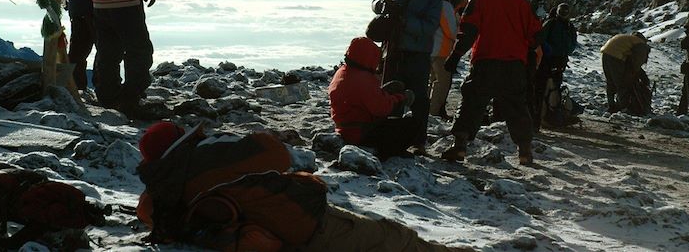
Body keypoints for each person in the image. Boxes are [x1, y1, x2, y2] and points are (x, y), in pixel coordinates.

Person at [136, 121, 470, 251]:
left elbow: (147, 211)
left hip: (268, 232)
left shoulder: (159, 192)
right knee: (397, 240)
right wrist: (230, 140)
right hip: (305, 226)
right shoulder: (207, 157)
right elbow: (277, 155)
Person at [441, 0, 543, 165]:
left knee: (471, 103)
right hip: (514, 65)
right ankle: (524, 152)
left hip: (485, 62)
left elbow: (467, 31)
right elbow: (535, 36)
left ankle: (459, 146)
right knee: (517, 107)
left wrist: (455, 56)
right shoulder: (521, 3)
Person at [372, 0, 443, 154]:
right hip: (393, 49)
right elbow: (376, 0)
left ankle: (418, 141)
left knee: (418, 98)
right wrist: (382, 4)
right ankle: (389, 136)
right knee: (390, 94)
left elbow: (430, 26)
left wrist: (404, 19)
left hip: (417, 53)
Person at [329, 37, 417, 160]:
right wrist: (401, 98)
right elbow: (382, 108)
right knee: (412, 125)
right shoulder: (362, 79)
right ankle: (388, 151)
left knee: (395, 87)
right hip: (359, 132)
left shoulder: (343, 71)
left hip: (346, 126)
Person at [533, 2, 578, 128]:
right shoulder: (552, 23)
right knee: (543, 87)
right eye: (562, 11)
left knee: (553, 87)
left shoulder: (569, 26)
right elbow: (541, 39)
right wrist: (549, 51)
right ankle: (541, 116)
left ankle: (548, 114)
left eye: (566, 11)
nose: (564, 13)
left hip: (559, 60)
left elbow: (573, 43)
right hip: (548, 60)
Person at [429, 0, 468, 120]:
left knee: (433, 83)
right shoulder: (445, 7)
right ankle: (433, 115)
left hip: (433, 50)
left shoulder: (440, 4)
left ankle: (432, 113)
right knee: (442, 84)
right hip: (440, 51)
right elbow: (452, 31)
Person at [600, 32, 651, 115]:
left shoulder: (628, 40)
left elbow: (630, 61)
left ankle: (611, 105)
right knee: (621, 83)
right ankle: (623, 107)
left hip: (605, 53)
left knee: (610, 81)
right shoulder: (641, 44)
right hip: (616, 57)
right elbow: (636, 65)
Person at [66, 0, 93, 91]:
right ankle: (106, 90)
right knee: (107, 51)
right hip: (98, 4)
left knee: (77, 50)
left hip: (77, 6)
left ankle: (76, 86)